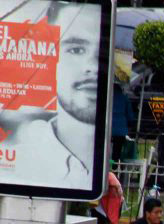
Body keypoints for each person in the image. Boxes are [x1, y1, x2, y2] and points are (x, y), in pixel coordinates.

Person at [5, 2, 101, 189]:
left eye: (102, 52)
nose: (93, 66)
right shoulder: (18, 166)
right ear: (50, 58)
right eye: (76, 49)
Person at [111, 83, 135, 162]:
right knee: (117, 149)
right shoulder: (124, 98)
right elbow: (130, 114)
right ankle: (115, 166)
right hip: (120, 129)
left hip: (108, 127)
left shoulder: (107, 97)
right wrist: (131, 123)